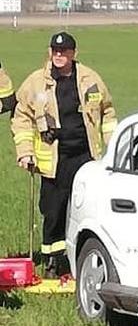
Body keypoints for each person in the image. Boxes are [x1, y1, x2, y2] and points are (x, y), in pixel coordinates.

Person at [11, 32, 117, 277]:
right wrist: (25, 153)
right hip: (54, 159)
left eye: (65, 51)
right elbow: (21, 118)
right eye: (55, 51)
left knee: (85, 210)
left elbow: (108, 112)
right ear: (50, 52)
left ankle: (81, 260)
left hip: (86, 157)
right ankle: (52, 262)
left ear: (73, 53)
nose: (59, 55)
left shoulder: (90, 79)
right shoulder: (36, 82)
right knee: (53, 210)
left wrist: (112, 148)